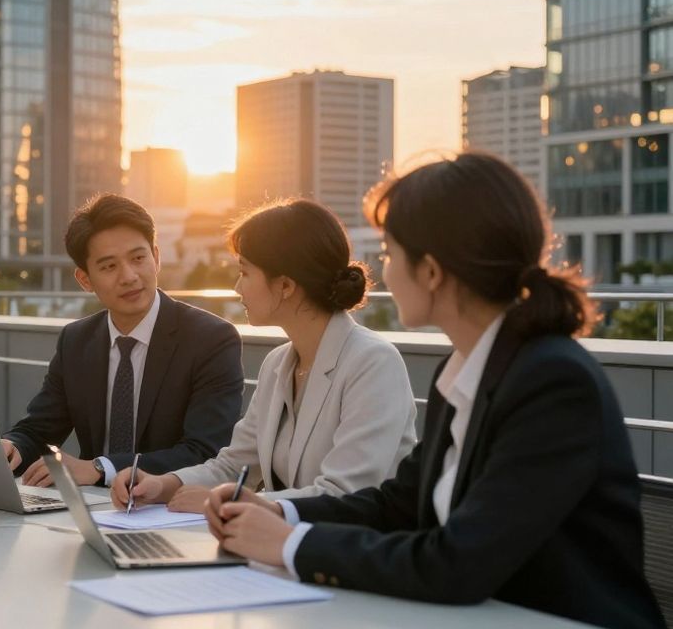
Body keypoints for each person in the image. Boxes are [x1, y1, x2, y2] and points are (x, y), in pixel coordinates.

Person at [204, 152, 664, 629]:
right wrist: (279, 511)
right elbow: (396, 504)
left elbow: (459, 562)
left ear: (431, 271)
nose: (381, 270)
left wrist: (290, 544)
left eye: (389, 253)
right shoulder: (465, 370)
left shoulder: (552, 382)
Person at [113, 199, 417, 511]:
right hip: (285, 536)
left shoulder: (374, 363)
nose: (237, 287)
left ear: (285, 285)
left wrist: (227, 501)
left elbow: (344, 493)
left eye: (244, 272)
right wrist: (162, 484)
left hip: (356, 538)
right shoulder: (278, 364)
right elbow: (233, 466)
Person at [0, 193, 245, 487]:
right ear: (85, 280)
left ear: (156, 257)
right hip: (91, 503)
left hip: (169, 504)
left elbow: (205, 451)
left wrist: (101, 468)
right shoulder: (76, 341)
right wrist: (13, 446)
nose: (129, 276)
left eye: (138, 258)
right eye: (109, 266)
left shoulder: (210, 339)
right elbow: (40, 429)